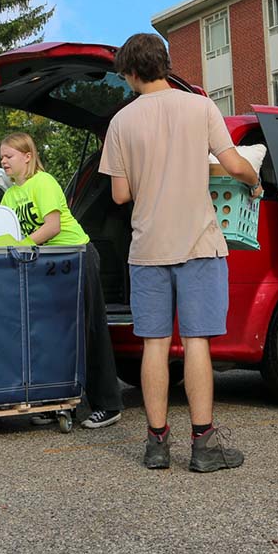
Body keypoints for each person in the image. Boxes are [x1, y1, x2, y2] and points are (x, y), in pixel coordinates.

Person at [99, 33, 261, 473]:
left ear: (131, 72)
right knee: (196, 345)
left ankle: (156, 446)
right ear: (165, 65)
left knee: (154, 345)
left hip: (147, 246)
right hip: (198, 243)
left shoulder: (121, 122)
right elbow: (233, 164)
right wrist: (253, 181)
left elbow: (119, 195)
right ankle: (203, 445)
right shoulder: (200, 107)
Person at [0, 132, 124, 429]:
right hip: (45, 264)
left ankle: (108, 404)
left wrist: (22, 245)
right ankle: (55, 400)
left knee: (89, 329)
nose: (3, 161)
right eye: (2, 156)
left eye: (9, 156)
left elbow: (52, 226)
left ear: (27, 156)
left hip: (76, 255)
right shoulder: (8, 196)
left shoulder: (43, 182)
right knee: (53, 334)